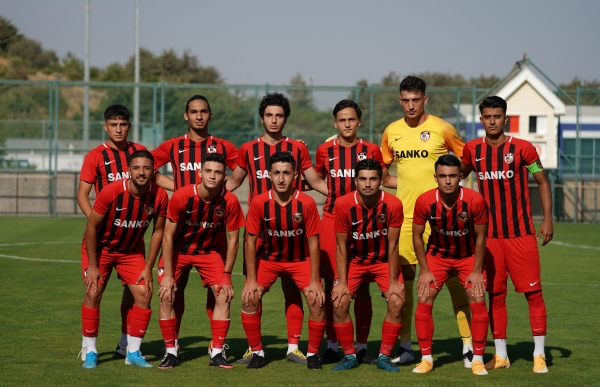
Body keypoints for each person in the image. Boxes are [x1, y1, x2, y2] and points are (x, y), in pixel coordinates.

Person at [226, 92, 327, 364]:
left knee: (294, 291)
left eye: (279, 115)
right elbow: (233, 182)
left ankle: (293, 347)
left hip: (293, 234)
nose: (274, 120)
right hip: (261, 235)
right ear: (262, 118)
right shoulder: (248, 149)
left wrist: (341, 196)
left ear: (285, 118)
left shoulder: (298, 148)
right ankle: (253, 348)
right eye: (269, 115)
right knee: (252, 290)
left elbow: (315, 181)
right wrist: (196, 193)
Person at [381, 76, 474, 366]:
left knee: (458, 281)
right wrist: (406, 184)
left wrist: (450, 188)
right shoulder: (391, 131)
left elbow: (466, 159)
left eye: (415, 100)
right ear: (400, 100)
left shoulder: (442, 128)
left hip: (444, 218)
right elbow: (383, 175)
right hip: (408, 219)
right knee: (409, 284)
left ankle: (469, 346)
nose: (410, 106)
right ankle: (408, 347)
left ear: (425, 100)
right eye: (405, 100)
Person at [461, 96, 553, 374]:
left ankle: (539, 354)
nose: (492, 121)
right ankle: (501, 355)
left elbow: (542, 181)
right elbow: (456, 176)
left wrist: (547, 220)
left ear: (505, 118)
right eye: (487, 116)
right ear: (481, 120)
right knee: (495, 295)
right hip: (488, 239)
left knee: (533, 294)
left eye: (497, 116)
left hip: (521, 235)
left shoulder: (523, 149)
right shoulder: (472, 149)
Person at [77, 104, 173, 360]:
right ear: (105, 127)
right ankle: (90, 349)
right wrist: (100, 222)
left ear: (129, 126)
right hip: (105, 238)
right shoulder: (96, 156)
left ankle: (127, 346)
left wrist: (190, 188)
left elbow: (157, 179)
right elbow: (82, 194)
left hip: (132, 243)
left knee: (137, 294)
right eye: (113, 124)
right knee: (93, 291)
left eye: (123, 124)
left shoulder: (139, 154)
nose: (118, 129)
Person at [151, 95, 238, 354]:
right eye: (193, 112)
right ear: (185, 116)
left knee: (219, 290)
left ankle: (217, 345)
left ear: (210, 115)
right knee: (174, 291)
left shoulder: (223, 146)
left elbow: (244, 167)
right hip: (180, 229)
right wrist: (177, 187)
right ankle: (172, 344)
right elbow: (146, 168)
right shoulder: (173, 145)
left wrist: (225, 190)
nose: (199, 116)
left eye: (203, 111)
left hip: (213, 230)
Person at [314, 100, 396, 365]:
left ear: (358, 122)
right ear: (334, 123)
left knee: (362, 289)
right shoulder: (325, 150)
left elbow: (383, 179)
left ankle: (361, 347)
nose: (347, 124)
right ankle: (333, 345)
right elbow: (313, 178)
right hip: (331, 219)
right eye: (342, 120)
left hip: (366, 221)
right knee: (335, 286)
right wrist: (334, 196)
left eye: (351, 119)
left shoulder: (370, 149)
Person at [157, 153, 245, 369]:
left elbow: (234, 240)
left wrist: (226, 276)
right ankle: (170, 351)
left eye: (217, 172)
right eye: (208, 171)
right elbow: (167, 236)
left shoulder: (230, 201)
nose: (212, 176)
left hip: (207, 252)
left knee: (223, 295)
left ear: (224, 176)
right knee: (167, 294)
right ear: (200, 173)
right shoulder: (181, 196)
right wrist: (168, 276)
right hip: (178, 251)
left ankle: (217, 353)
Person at [240, 151, 326, 370]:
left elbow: (314, 243)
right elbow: (249, 242)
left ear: (295, 175)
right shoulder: (260, 203)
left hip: (300, 260)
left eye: (286, 173)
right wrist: (251, 279)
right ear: (269, 174)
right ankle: (257, 352)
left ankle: (313, 354)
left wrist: (315, 280)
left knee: (317, 299)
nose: (281, 178)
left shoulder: (306, 203)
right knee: (249, 298)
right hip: (270, 259)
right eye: (276, 173)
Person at [411, 154, 489, 376]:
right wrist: (425, 271)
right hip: (437, 256)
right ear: (435, 177)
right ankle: (426, 358)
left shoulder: (475, 200)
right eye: (443, 176)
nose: (448, 180)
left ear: (460, 177)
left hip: (468, 256)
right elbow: (417, 237)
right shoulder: (424, 201)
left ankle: (478, 359)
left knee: (477, 298)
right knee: (424, 297)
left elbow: (481, 237)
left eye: (453, 176)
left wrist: (476, 271)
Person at [329, 159, 405, 372]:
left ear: (381, 180)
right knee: (339, 302)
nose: (368, 184)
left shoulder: (393, 204)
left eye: (373, 179)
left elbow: (393, 244)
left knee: (397, 301)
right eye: (363, 179)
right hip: (354, 260)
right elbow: (341, 246)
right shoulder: (344, 205)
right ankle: (350, 355)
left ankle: (384, 356)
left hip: (383, 261)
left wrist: (392, 283)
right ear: (356, 181)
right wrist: (342, 283)